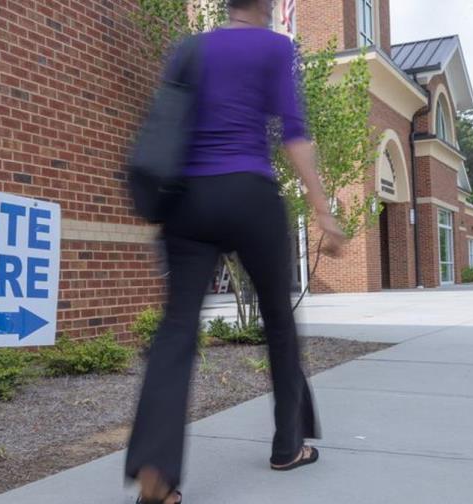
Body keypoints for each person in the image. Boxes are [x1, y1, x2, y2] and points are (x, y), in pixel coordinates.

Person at [125, 0, 345, 502]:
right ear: (267, 5)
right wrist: (324, 212)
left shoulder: (191, 47)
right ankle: (288, 445)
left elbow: (164, 122)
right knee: (279, 325)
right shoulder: (275, 47)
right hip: (251, 195)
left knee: (177, 330)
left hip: (189, 204)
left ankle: (156, 470)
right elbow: (294, 134)